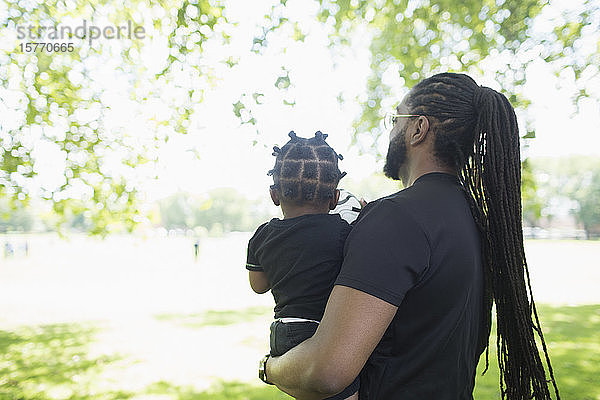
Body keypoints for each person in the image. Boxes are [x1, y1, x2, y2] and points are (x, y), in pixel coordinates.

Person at [260, 73, 560, 400]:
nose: (391, 130)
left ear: (418, 128)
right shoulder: (473, 217)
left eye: (395, 118)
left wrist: (270, 367)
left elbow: (327, 371)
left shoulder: (397, 217)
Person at [247, 131, 360, 400]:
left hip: (282, 335)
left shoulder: (262, 235)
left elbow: (258, 286)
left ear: (275, 195)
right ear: (334, 198)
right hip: (322, 334)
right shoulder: (343, 232)